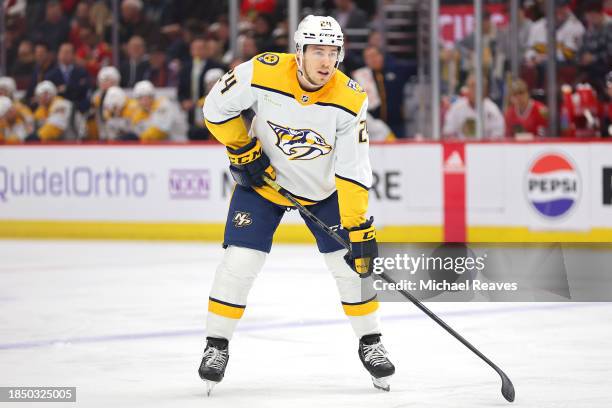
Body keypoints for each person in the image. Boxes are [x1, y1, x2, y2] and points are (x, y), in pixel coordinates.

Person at [199, 15, 394, 395]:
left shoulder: (350, 98)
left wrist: (357, 226)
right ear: (299, 51)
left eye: (332, 52)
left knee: (350, 267)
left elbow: (353, 168)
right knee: (240, 261)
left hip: (321, 193)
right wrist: (242, 146)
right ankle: (216, 345)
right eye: (317, 51)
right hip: (263, 185)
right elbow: (214, 108)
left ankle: (371, 342)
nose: (325, 61)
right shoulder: (262, 70)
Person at [442, 74, 505, 139]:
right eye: (473, 86)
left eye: (481, 87)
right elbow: (448, 133)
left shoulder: (493, 109)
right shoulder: (456, 108)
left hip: (485, 148)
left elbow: (498, 136)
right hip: (462, 147)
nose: (476, 90)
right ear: (468, 88)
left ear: (486, 90)